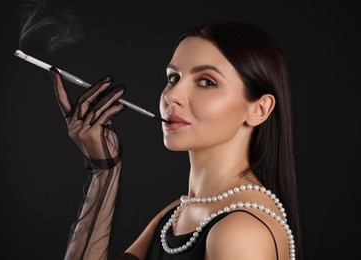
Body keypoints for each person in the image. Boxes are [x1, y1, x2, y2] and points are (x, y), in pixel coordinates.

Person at [50, 18, 301, 260]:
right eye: (173, 78)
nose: (172, 96)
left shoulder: (240, 231)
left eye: (206, 81)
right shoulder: (178, 213)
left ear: (259, 109)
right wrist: (103, 169)